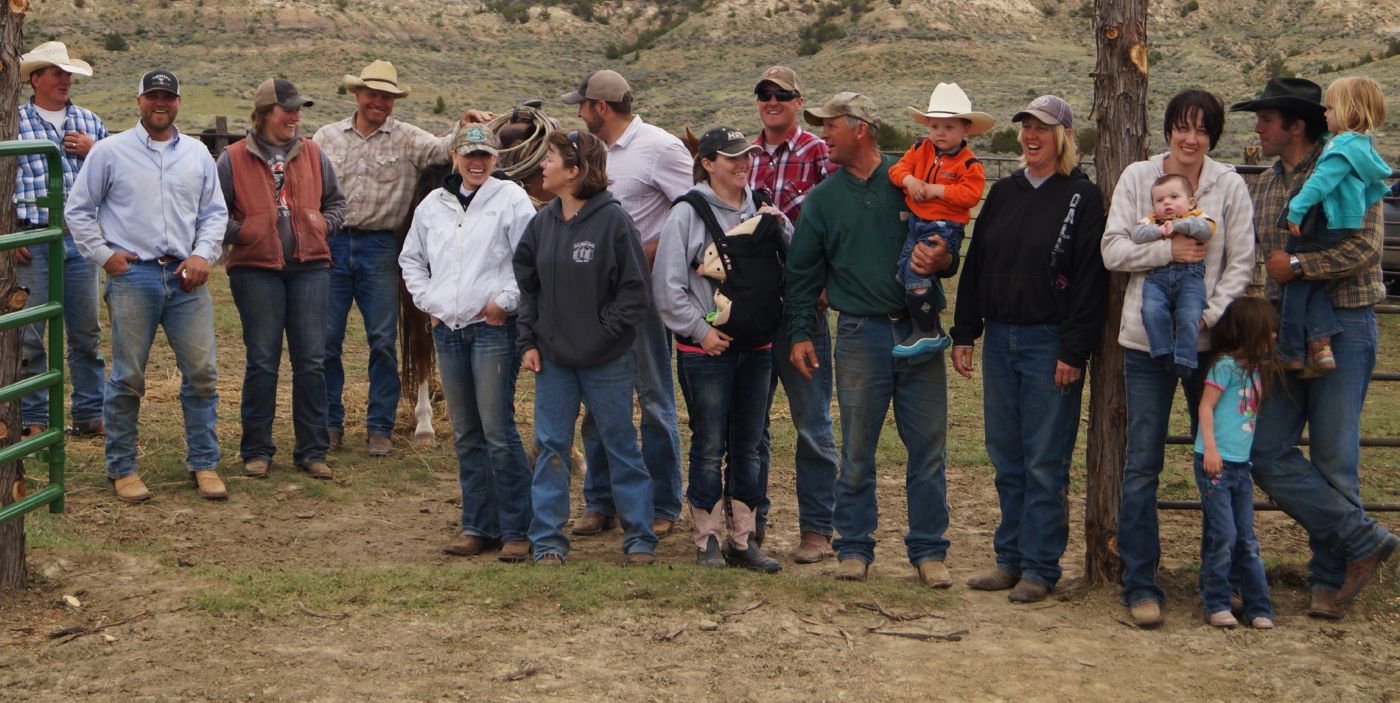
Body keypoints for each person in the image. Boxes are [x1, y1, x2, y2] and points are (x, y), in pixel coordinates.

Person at [1230, 76, 1398, 620]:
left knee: (1334, 457)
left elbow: (1368, 247)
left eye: (1266, 119)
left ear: (1294, 124)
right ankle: (1362, 539)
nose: (1258, 128)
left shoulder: (1345, 165)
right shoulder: (1269, 182)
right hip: (1284, 330)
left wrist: (1302, 264)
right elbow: (1260, 261)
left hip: (1344, 325)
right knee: (1265, 450)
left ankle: (1329, 580)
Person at [1101, 89, 1256, 628]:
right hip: (1145, 344)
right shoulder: (1137, 178)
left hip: (1209, 349)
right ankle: (1141, 585)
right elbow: (1113, 249)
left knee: (1219, 464)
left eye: (1202, 129)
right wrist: (1167, 250)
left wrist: (1207, 319)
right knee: (1143, 463)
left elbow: (1241, 261)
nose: (1191, 139)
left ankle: (1222, 583)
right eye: (1182, 127)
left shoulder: (1228, 184)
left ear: (1213, 136)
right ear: (1167, 129)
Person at [786, 92, 955, 586]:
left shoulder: (908, 184)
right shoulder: (823, 199)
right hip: (859, 331)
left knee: (928, 447)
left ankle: (928, 550)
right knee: (857, 448)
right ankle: (854, 547)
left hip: (917, 326)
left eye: (830, 125)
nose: (823, 135)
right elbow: (801, 274)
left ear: (860, 128)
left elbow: (948, 245)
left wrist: (945, 260)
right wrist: (800, 332)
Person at [950, 95, 1107, 604]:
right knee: (1006, 454)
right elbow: (977, 263)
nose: (1030, 136)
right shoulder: (1004, 193)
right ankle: (1009, 559)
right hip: (1000, 337)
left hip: (1049, 342)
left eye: (1041, 128)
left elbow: (1089, 281)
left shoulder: (1082, 197)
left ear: (1062, 136)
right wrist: (965, 331)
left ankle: (1041, 565)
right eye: (1025, 128)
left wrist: (1073, 350)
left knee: (1045, 458)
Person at [67, 69, 229, 503]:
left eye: (169, 97)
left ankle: (205, 462)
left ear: (178, 102)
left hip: (185, 277)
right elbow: (79, 210)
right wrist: (105, 255)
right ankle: (121, 467)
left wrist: (203, 254)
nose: (161, 103)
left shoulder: (196, 155)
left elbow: (215, 213)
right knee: (127, 376)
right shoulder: (109, 152)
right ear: (139, 100)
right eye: (153, 96)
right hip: (133, 274)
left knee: (201, 373)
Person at [312, 60, 488, 457]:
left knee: (382, 341)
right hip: (335, 244)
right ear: (357, 95)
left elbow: (444, 149)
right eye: (373, 94)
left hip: (380, 247)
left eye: (387, 97)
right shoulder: (326, 138)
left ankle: (380, 426)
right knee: (326, 340)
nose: (379, 102)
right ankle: (329, 423)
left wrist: (463, 127)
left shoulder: (409, 138)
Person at [515, 130, 658, 566]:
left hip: (607, 361)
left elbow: (635, 294)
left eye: (550, 158)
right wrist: (529, 341)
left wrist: (601, 337)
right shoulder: (542, 223)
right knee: (551, 447)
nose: (542, 165)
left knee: (619, 445)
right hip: (554, 361)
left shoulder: (615, 222)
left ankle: (638, 539)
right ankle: (549, 542)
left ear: (574, 172)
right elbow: (528, 287)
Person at [654, 126, 790, 572]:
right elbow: (668, 286)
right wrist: (699, 331)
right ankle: (706, 539)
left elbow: (790, 261)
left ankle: (743, 538)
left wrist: (782, 225)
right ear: (708, 163)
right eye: (731, 157)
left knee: (749, 444)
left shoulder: (763, 206)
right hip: (705, 350)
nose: (742, 163)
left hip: (757, 346)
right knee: (710, 444)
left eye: (746, 155)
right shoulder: (685, 215)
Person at [561, 69, 691, 538]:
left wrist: (639, 256)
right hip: (596, 296)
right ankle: (600, 501)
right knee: (597, 400)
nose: (578, 111)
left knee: (654, 398)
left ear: (601, 107)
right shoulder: (591, 153)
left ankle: (662, 503)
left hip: (642, 297)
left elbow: (691, 211)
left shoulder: (660, 148)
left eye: (583, 104)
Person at [400, 125, 537, 563]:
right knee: (466, 432)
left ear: (495, 160)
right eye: (469, 155)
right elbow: (411, 259)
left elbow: (528, 259)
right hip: (449, 329)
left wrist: (506, 301)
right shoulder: (432, 205)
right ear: (455, 157)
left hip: (492, 328)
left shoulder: (511, 200)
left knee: (497, 429)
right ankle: (478, 524)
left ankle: (518, 527)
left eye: (485, 155)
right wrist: (429, 301)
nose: (477, 163)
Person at [217, 77, 345, 481]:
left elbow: (337, 203)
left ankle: (312, 450)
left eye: (298, 109)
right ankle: (256, 450)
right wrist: (245, 234)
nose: (295, 116)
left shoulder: (313, 153)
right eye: (287, 109)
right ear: (264, 113)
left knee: (311, 360)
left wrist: (321, 226)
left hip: (310, 268)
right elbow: (213, 212)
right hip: (256, 270)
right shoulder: (233, 157)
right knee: (262, 360)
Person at [746, 65, 839, 564]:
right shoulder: (744, 154)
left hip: (801, 306)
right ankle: (750, 523)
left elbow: (837, 222)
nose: (772, 101)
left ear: (799, 101)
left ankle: (818, 529)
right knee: (752, 421)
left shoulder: (820, 153)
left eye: (782, 94)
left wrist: (826, 282)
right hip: (753, 307)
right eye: (764, 94)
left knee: (811, 420)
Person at [13, 41, 108, 439]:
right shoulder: (12, 122)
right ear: (36, 79)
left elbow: (119, 174)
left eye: (67, 74)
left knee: (85, 332)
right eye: (57, 73)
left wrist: (96, 150)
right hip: (30, 238)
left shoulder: (90, 123)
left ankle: (89, 413)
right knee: (29, 333)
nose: (65, 80)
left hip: (79, 238)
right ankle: (34, 417)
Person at [1276, 76, 1390, 375]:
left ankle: (1291, 351)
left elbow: (1319, 184)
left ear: (1348, 110)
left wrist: (1296, 212)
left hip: (1348, 299)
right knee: (1308, 284)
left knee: (1293, 279)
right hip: (1343, 224)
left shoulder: (1339, 150)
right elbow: (1374, 185)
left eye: (1330, 108)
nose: (1325, 114)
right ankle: (1320, 347)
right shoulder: (1361, 148)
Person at [1192, 297, 1278, 630]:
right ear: (1250, 331)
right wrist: (1210, 449)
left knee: (1247, 539)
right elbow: (1206, 408)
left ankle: (1259, 606)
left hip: (1242, 466)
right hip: (1217, 464)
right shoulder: (1225, 366)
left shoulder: (1257, 369)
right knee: (1224, 535)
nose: (1273, 337)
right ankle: (1216, 601)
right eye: (1268, 331)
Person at [890, 82, 990, 358]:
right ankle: (921, 316)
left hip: (942, 226)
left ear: (965, 129)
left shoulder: (970, 164)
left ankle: (928, 331)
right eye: (935, 126)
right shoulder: (920, 149)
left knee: (916, 270)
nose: (940, 133)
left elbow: (970, 195)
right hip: (917, 221)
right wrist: (909, 180)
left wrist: (936, 190)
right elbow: (897, 170)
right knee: (904, 268)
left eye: (948, 127)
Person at [1129, 173, 1217, 378]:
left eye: (1174, 197)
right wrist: (1159, 231)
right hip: (1157, 277)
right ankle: (1163, 351)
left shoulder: (1197, 216)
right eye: (1159, 200)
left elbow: (1205, 231)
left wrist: (1178, 226)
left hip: (1190, 277)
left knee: (1190, 315)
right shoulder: (1153, 220)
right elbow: (1136, 234)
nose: (1167, 203)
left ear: (1191, 202)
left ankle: (1185, 359)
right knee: (1151, 310)